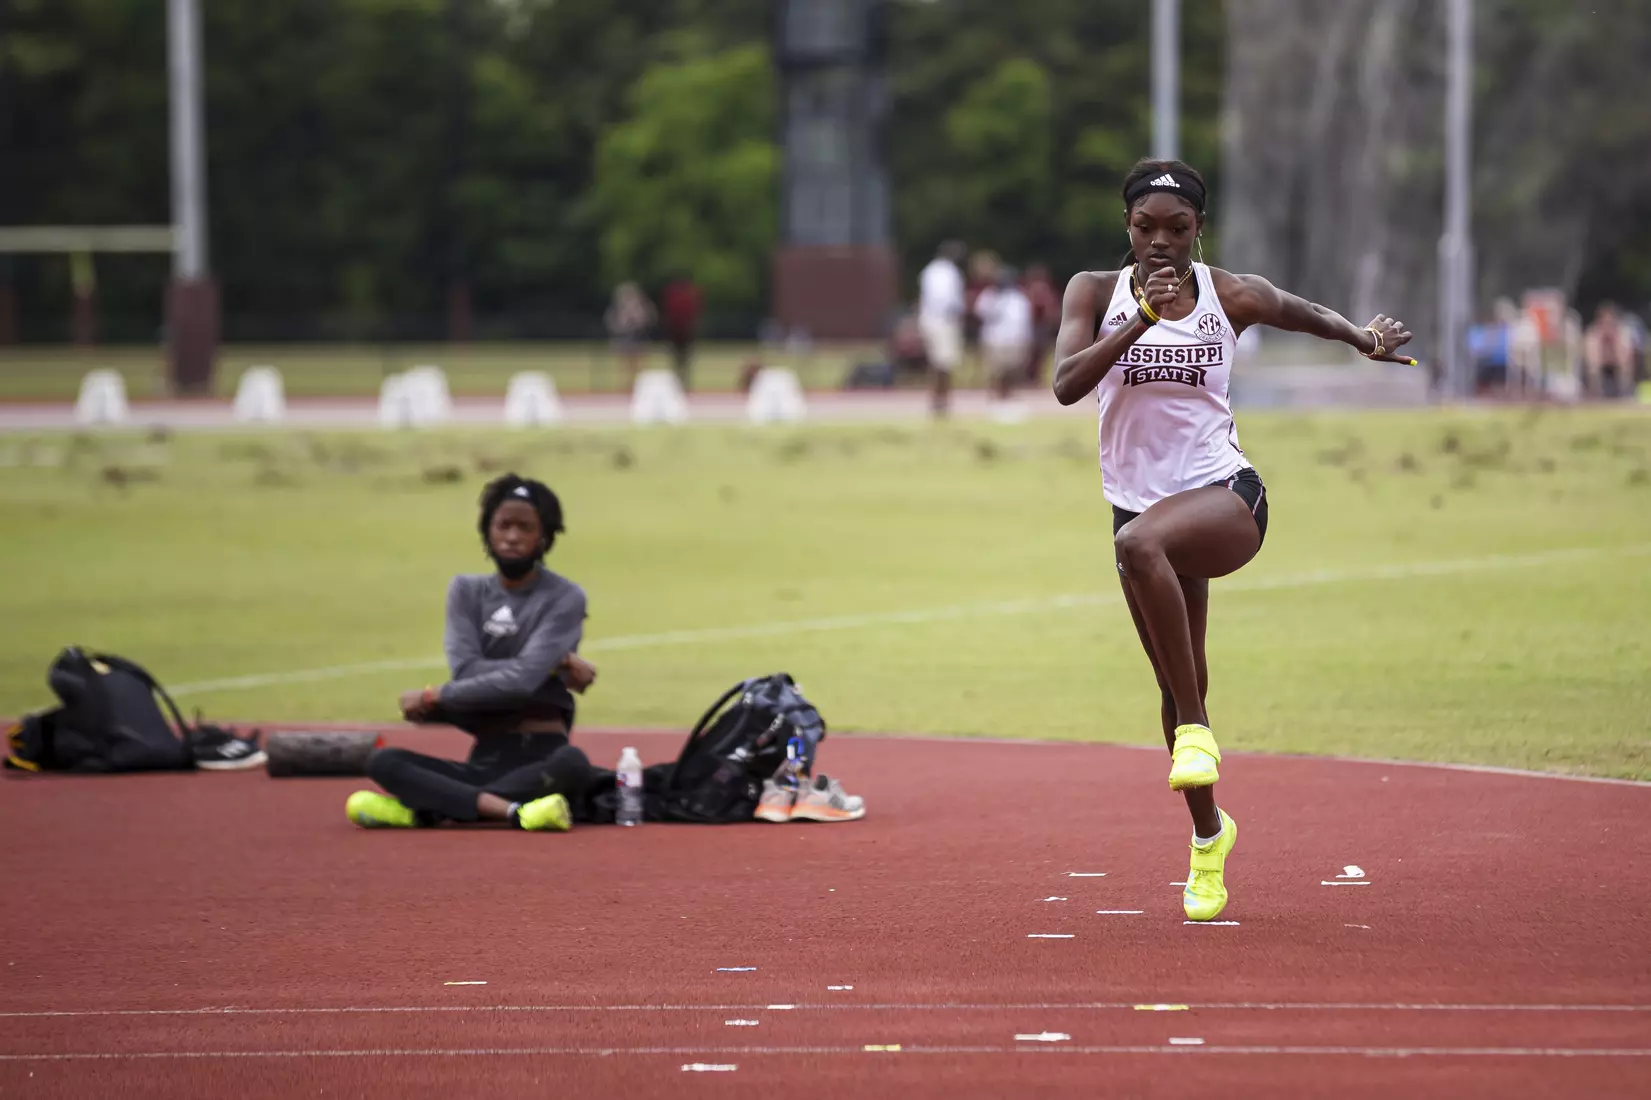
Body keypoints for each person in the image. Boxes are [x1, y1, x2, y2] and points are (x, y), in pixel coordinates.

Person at [1050, 158, 1414, 922]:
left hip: (1223, 498)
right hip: (1138, 509)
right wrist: (1141, 322)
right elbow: (1065, 384)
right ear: (1126, 227)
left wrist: (1359, 337)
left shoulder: (1228, 295)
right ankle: (1208, 835)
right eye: (1145, 228)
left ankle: (1193, 730)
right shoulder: (1093, 293)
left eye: (1175, 229)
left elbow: (1299, 309)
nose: (1159, 243)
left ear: (1197, 230)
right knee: (1178, 679)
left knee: (1141, 554)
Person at [345, 474, 598, 831]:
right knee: (383, 761)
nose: (512, 536)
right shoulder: (466, 591)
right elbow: (467, 670)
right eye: (503, 525)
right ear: (487, 530)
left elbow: (520, 684)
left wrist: (437, 695)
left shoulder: (565, 597)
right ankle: (513, 812)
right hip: (484, 755)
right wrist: (549, 663)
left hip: (542, 754)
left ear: (543, 536)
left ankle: (431, 809)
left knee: (574, 764)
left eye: (524, 527)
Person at [972, 264, 1034, 414]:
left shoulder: (1018, 297)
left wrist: (1026, 340)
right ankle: (997, 397)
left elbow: (1024, 322)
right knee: (997, 371)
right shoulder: (989, 296)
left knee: (1011, 371)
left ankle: (1007, 396)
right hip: (995, 339)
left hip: (1014, 340)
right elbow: (979, 312)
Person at [918, 240, 967, 417]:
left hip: (930, 318)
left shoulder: (929, 270)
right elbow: (951, 301)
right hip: (944, 320)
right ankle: (942, 401)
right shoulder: (950, 272)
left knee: (936, 363)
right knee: (945, 363)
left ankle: (937, 400)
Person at [604, 281, 655, 385]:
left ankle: (638, 382)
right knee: (625, 363)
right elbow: (612, 322)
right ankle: (627, 383)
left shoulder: (641, 308)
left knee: (638, 362)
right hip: (625, 338)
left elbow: (648, 319)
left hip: (638, 337)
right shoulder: (618, 310)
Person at [661, 274, 703, 391]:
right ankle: (682, 383)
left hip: (680, 333)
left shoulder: (676, 295)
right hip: (683, 333)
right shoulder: (690, 294)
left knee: (679, 361)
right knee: (684, 362)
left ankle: (680, 383)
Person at [1022, 263, 1062, 385]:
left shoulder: (1033, 288)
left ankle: (1032, 377)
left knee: (1036, 353)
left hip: (1037, 325)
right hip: (1036, 325)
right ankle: (1031, 377)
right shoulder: (1039, 288)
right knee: (1036, 353)